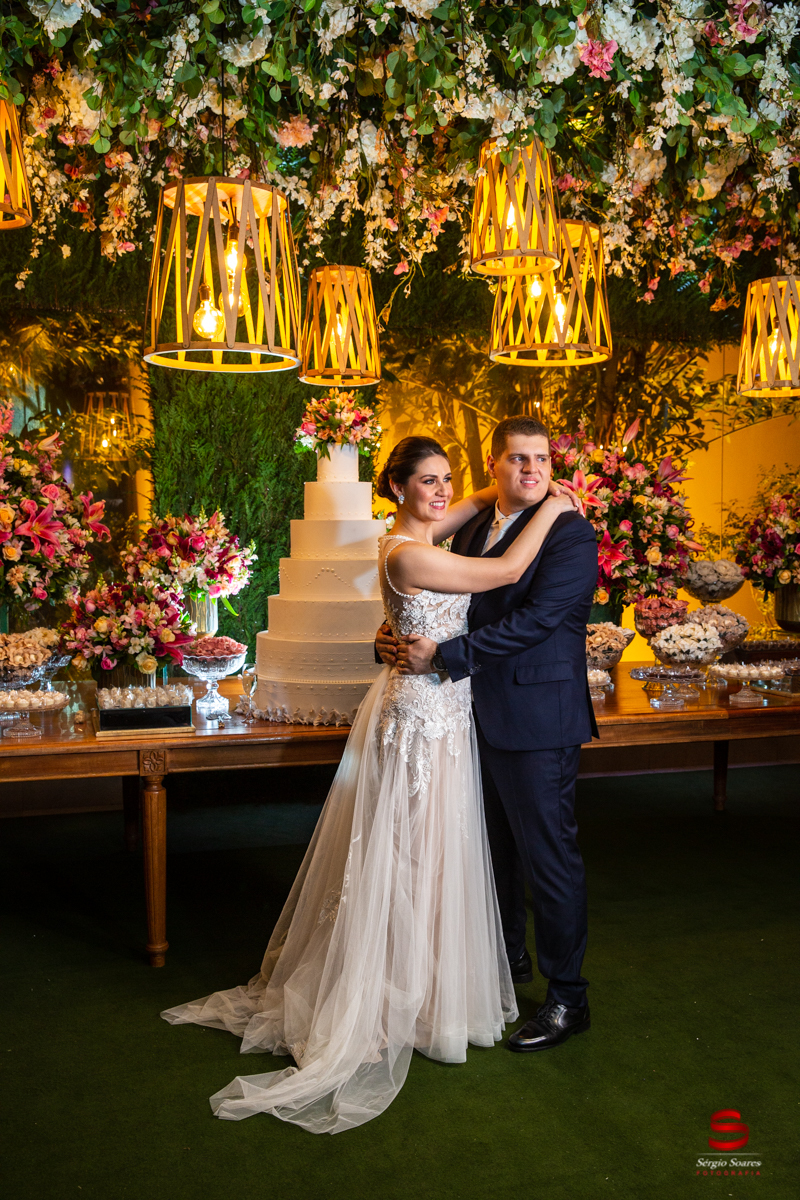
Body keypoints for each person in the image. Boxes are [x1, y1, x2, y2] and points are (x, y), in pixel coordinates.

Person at [161, 435, 576, 1135]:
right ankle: (385, 999)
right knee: (407, 854)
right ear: (398, 488)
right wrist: (556, 506)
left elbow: (470, 507)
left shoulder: (425, 532)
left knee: (437, 855)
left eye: (447, 479)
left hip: (446, 714)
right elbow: (506, 570)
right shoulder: (408, 552)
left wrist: (507, 483)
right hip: (420, 721)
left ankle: (427, 988)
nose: (442, 492)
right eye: (428, 481)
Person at [378, 415, 599, 1054]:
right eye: (518, 458)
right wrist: (390, 637)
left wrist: (444, 659)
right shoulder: (474, 524)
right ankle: (506, 961)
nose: (532, 469)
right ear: (494, 465)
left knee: (548, 858)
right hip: (466, 715)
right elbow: (439, 599)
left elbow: (538, 620)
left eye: (542, 459)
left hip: (536, 717)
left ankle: (568, 998)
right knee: (491, 851)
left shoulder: (570, 531)